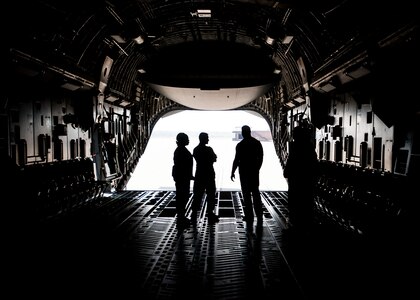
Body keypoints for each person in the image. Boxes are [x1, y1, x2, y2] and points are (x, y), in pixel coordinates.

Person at [283, 123, 320, 232]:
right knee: (306, 203)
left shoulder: (295, 147)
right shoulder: (309, 147)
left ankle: (295, 225)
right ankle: (306, 226)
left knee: (295, 203)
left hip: (296, 180)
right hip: (307, 180)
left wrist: (287, 172)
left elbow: (291, 162)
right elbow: (314, 164)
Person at [231, 125, 264, 225]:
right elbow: (261, 157)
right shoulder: (257, 143)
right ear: (250, 132)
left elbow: (237, 159)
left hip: (244, 172)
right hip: (254, 171)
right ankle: (259, 214)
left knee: (246, 194)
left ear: (242, 133)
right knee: (255, 192)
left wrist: (232, 171)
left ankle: (249, 216)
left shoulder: (240, 145)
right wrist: (257, 168)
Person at [192, 132, 219, 224]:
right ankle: (210, 214)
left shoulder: (196, 149)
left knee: (197, 195)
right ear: (203, 139)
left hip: (199, 174)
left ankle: (194, 214)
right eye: (207, 138)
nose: (208, 139)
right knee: (211, 194)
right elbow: (214, 158)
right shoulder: (209, 149)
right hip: (209, 175)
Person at [172, 132, 194, 228]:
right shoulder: (181, 151)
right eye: (187, 139)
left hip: (182, 177)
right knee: (182, 197)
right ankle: (181, 218)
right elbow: (183, 165)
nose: (188, 140)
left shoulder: (180, 150)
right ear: (182, 140)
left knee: (182, 197)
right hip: (182, 178)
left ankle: (181, 217)